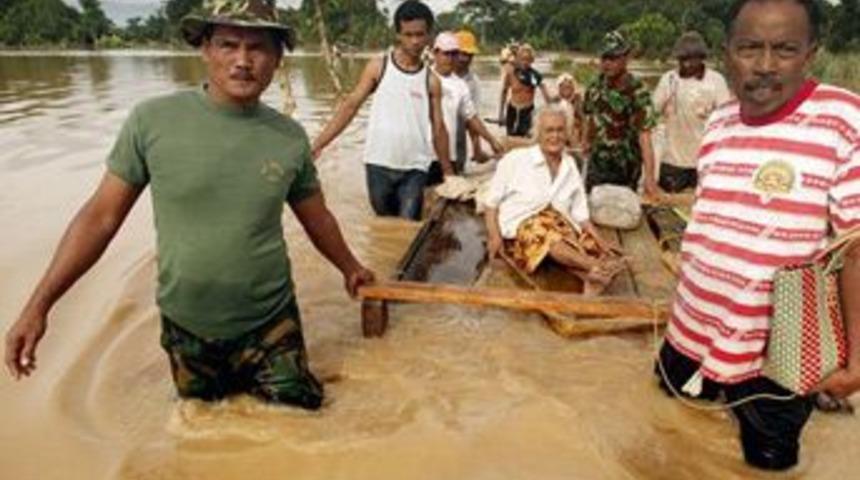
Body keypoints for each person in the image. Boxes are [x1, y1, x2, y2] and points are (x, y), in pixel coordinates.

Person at [3, 0, 375, 411]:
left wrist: (351, 268)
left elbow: (317, 217)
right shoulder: (152, 122)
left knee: (305, 421)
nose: (243, 61)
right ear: (204, 49)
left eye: (258, 48)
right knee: (202, 430)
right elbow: (100, 219)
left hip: (271, 322)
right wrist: (38, 307)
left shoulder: (288, 138)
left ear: (278, 57)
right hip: (187, 329)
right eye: (228, 45)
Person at [655, 0, 860, 470]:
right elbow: (709, 222)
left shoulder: (843, 120)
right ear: (728, 52)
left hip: (778, 351)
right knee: (666, 423)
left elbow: (856, 251)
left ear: (810, 53)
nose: (765, 66)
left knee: (767, 463)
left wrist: (856, 362)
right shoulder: (721, 121)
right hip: (689, 326)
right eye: (750, 48)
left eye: (784, 49)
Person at [311, 0, 451, 220]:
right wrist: (318, 144)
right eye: (408, 34)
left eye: (420, 34)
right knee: (384, 229)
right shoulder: (379, 67)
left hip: (415, 168)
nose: (414, 41)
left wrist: (449, 173)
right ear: (398, 34)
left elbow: (439, 128)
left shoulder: (431, 81)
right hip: (378, 165)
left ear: (429, 36)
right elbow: (351, 106)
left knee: (406, 227)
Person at [483, 105, 625, 294]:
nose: (555, 136)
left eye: (560, 130)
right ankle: (592, 266)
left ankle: (591, 276)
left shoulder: (570, 165)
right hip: (522, 231)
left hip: (560, 227)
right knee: (544, 233)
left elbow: (580, 213)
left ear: (567, 134)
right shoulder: (515, 159)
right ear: (538, 133)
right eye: (549, 130)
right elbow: (490, 204)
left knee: (596, 247)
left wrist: (600, 240)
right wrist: (494, 236)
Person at [652, 31, 732, 192]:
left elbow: (726, 121)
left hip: (705, 160)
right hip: (672, 160)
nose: (687, 64)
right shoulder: (669, 79)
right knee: (670, 210)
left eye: (691, 59)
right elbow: (652, 112)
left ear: (701, 58)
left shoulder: (716, 81)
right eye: (682, 60)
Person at [582, 31, 658, 196]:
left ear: (626, 58)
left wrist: (650, 177)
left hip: (626, 167)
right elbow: (589, 119)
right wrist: (585, 143)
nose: (607, 63)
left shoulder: (637, 90)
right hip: (597, 164)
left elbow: (644, 136)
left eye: (613, 58)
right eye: (604, 58)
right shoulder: (594, 87)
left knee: (622, 213)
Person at [431, 32, 503, 178]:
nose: (464, 59)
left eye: (455, 54)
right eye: (447, 54)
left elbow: (471, 117)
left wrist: (488, 141)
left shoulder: (466, 84)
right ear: (436, 53)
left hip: (455, 146)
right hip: (424, 152)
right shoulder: (424, 76)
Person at [453, 29, 490, 168]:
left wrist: (477, 149)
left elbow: (472, 118)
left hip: (458, 145)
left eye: (469, 54)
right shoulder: (435, 75)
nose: (465, 58)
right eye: (462, 53)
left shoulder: (473, 82)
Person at [498, 44, 552, 138]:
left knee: (526, 141)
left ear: (532, 60)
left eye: (528, 59)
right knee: (511, 139)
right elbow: (504, 92)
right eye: (523, 59)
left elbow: (546, 95)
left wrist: (552, 111)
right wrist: (501, 114)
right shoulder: (511, 73)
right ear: (518, 59)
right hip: (512, 110)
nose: (525, 62)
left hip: (527, 112)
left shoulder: (535, 76)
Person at [555, 73, 584, 151]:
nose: (566, 89)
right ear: (559, 88)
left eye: (568, 87)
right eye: (563, 87)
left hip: (574, 131)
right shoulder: (555, 101)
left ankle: (576, 149)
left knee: (576, 130)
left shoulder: (577, 100)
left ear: (573, 88)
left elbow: (582, 118)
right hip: (560, 128)